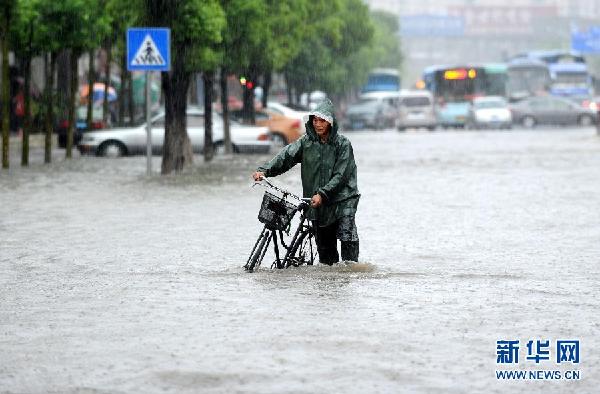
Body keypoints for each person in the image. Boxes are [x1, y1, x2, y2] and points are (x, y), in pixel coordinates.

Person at [252, 99, 360, 264]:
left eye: (322, 120)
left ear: (330, 122)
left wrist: (323, 193)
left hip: (343, 200)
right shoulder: (306, 142)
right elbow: (286, 156)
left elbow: (341, 175)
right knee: (326, 255)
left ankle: (350, 274)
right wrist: (265, 170)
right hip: (317, 202)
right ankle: (331, 282)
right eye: (315, 120)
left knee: (347, 240)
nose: (318, 124)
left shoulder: (343, 144)